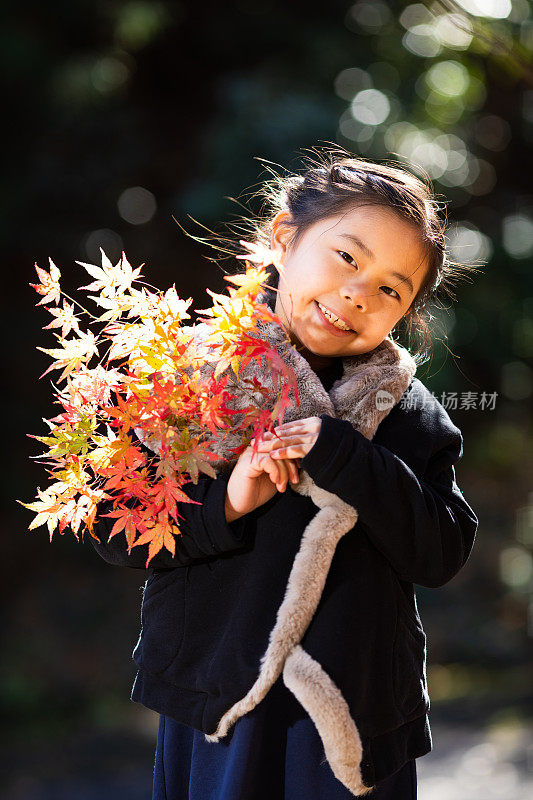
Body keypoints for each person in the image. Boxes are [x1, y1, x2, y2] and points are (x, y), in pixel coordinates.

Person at [90, 148, 479, 799]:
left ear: (406, 312)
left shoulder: (406, 410)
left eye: (390, 289)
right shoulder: (195, 372)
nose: (358, 292)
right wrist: (228, 503)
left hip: (353, 715)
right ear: (283, 238)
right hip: (220, 702)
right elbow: (111, 525)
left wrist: (349, 458)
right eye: (346, 257)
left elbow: (440, 552)